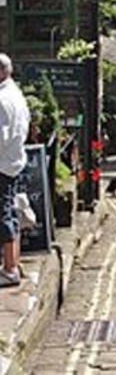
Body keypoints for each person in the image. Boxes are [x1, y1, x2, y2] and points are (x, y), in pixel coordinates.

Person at [0, 55, 30, 288]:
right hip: (13, 162)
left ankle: (9, 269)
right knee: (10, 210)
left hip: (1, 164)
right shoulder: (16, 94)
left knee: (4, 215)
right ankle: (14, 263)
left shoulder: (2, 100)